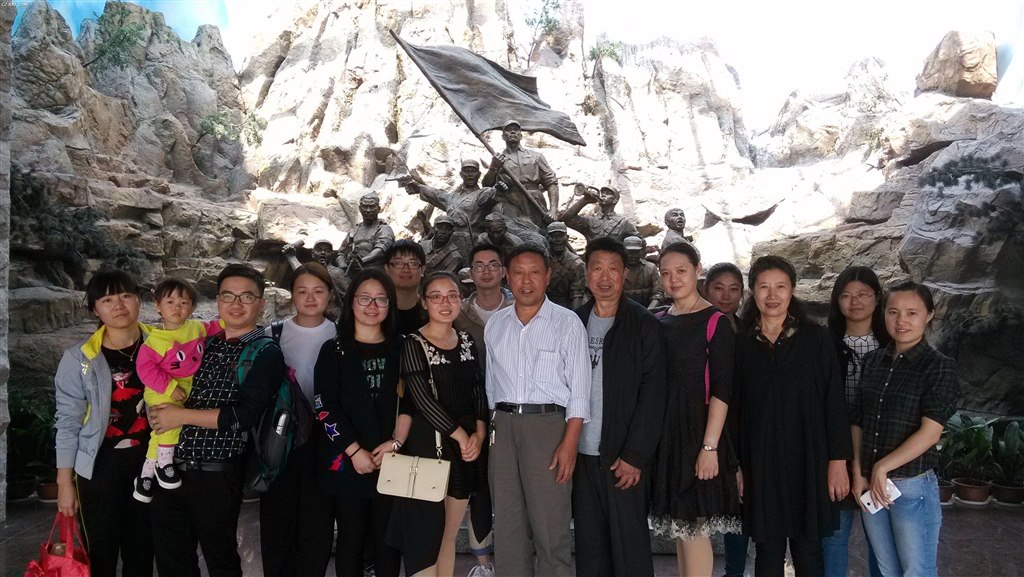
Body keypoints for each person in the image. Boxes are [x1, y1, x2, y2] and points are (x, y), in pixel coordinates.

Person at [148, 264, 284, 577]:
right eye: (228, 296)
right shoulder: (202, 344)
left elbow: (244, 416)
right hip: (170, 466)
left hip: (217, 473)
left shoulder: (265, 352)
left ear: (260, 304)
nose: (236, 304)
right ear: (218, 301)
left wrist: (180, 416)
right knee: (172, 558)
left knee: (219, 557)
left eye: (246, 297)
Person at [733, 255, 852, 577]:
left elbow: (833, 401)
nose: (772, 295)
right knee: (767, 549)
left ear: (792, 290)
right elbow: (734, 410)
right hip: (760, 461)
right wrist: (737, 467)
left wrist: (838, 461)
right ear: (753, 291)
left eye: (781, 287)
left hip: (809, 459)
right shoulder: (741, 342)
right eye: (764, 287)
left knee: (809, 549)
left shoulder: (815, 338)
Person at [484, 245, 591, 577]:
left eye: (534, 273)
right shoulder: (496, 324)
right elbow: (491, 387)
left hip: (548, 428)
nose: (526, 281)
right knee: (507, 526)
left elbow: (580, 389)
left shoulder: (567, 323)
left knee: (550, 525)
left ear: (547, 276)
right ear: (507, 276)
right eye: (518, 273)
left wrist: (570, 442)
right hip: (502, 428)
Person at [572, 237, 667, 577]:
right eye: (597, 268)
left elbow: (653, 394)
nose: (604, 277)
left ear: (625, 273)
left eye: (613, 268)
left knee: (630, 551)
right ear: (586, 274)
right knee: (590, 549)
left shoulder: (644, 324)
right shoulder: (574, 323)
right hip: (581, 456)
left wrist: (635, 455)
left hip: (623, 459)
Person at [852, 281, 958, 577]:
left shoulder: (938, 366)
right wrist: (859, 471)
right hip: (871, 484)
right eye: (893, 312)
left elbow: (930, 432)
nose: (901, 321)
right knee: (886, 570)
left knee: (916, 571)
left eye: (912, 313)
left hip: (912, 485)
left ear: (929, 315)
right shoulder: (873, 361)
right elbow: (858, 420)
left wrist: (882, 466)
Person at [388, 272, 489, 577]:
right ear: (424, 302)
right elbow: (421, 398)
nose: (445, 303)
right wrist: (462, 437)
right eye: (436, 296)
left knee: (448, 534)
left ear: (461, 300)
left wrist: (479, 433)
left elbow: (478, 389)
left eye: (452, 296)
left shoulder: (467, 340)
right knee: (425, 537)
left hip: (465, 450)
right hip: (429, 447)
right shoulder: (413, 343)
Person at [54, 269, 155, 577]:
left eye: (126, 296)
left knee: (142, 550)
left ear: (138, 300)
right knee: (101, 552)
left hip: (149, 462)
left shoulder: (161, 346)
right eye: (107, 300)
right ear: (94, 309)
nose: (118, 305)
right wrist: (64, 483)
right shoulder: (79, 358)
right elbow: (67, 422)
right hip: (99, 466)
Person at [650, 242, 742, 577]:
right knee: (681, 527)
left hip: (699, 432)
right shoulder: (658, 320)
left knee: (695, 527)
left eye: (681, 271)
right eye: (666, 273)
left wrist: (710, 447)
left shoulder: (715, 322)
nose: (673, 279)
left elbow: (722, 390)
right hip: (667, 432)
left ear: (697, 270)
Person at [313, 268, 406, 577]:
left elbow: (412, 401)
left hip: (391, 459)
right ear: (351, 302)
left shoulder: (402, 347)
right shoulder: (334, 350)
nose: (372, 306)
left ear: (390, 305)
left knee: (389, 544)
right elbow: (325, 407)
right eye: (364, 298)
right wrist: (354, 451)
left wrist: (395, 443)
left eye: (381, 299)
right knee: (350, 541)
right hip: (347, 461)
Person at [260, 263, 337, 577]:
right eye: (302, 291)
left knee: (318, 517)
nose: (310, 298)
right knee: (277, 513)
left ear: (330, 295)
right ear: (291, 294)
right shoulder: (274, 333)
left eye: (318, 291)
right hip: (283, 434)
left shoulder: (340, 334)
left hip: (326, 436)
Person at [823, 266, 891, 577]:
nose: (855, 302)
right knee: (835, 534)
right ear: (836, 300)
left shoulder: (892, 344)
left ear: (877, 298)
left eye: (863, 294)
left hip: (881, 451)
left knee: (880, 538)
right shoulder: (824, 343)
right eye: (846, 295)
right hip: (835, 450)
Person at [134, 278, 223, 502]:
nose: (177, 307)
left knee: (158, 433)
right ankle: (164, 464)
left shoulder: (196, 328)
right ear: (158, 305)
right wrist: (170, 387)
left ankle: (145, 475)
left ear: (192, 307)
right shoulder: (155, 340)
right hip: (162, 389)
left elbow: (215, 326)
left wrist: (230, 321)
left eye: (184, 303)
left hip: (186, 386)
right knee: (170, 423)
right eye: (170, 302)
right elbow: (145, 370)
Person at [453, 243, 511, 576]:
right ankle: (482, 563)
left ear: (503, 271)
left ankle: (515, 558)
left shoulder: (520, 308)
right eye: (479, 265)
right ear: (470, 273)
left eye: (493, 264)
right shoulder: (457, 313)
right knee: (478, 488)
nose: (486, 271)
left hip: (510, 412)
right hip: (470, 414)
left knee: (510, 485)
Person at [701, 262, 751, 577]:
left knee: (738, 505)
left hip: (739, 426)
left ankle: (734, 571)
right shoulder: (694, 326)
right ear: (706, 289)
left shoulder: (748, 332)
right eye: (719, 288)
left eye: (734, 289)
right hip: (700, 423)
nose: (726, 295)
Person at [481, 120, 559, 222]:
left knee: (541, 230)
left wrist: (553, 210)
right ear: (503, 137)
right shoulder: (499, 160)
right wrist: (493, 167)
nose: (513, 132)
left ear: (521, 136)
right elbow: (486, 185)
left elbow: (551, 182)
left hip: (535, 202)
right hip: (511, 203)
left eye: (516, 130)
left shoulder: (536, 156)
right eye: (509, 130)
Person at [559, 185, 639, 243]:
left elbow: (639, 241)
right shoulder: (590, 220)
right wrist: (585, 200)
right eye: (602, 193)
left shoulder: (622, 222)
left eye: (607, 193)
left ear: (615, 200)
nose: (603, 195)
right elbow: (566, 219)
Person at [384, 239, 429, 335]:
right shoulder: (376, 311)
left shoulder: (433, 312)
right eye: (398, 263)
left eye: (413, 263)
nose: (406, 269)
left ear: (423, 270)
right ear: (387, 269)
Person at [340, 193, 395, 270]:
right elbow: (341, 253)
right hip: (351, 269)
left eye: (372, 207)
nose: (368, 210)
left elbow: (381, 250)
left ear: (378, 209)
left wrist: (360, 262)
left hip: (374, 270)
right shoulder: (354, 230)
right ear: (360, 209)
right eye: (365, 207)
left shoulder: (384, 229)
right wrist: (343, 266)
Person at [545, 222, 586, 310]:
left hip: (564, 307)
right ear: (547, 238)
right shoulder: (540, 259)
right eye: (553, 236)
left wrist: (574, 316)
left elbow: (577, 296)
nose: (557, 240)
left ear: (567, 238)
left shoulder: (576, 264)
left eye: (560, 236)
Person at [622, 236, 660, 308]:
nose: (632, 256)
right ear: (623, 252)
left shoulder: (650, 268)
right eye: (629, 252)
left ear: (641, 251)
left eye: (636, 252)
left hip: (648, 310)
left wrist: (649, 311)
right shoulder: (617, 270)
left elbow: (658, 293)